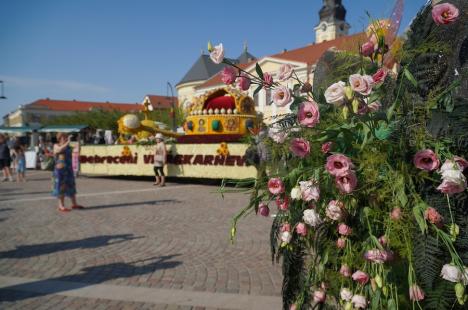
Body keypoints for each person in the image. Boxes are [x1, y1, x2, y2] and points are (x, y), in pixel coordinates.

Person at [52, 132, 83, 212]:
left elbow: (76, 152)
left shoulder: (68, 146)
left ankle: (74, 204)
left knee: (71, 185)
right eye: (64, 137)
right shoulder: (56, 146)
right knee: (61, 187)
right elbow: (59, 150)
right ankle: (61, 205)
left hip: (69, 169)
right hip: (60, 171)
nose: (65, 138)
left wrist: (78, 142)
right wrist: (68, 142)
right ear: (59, 138)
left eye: (66, 137)